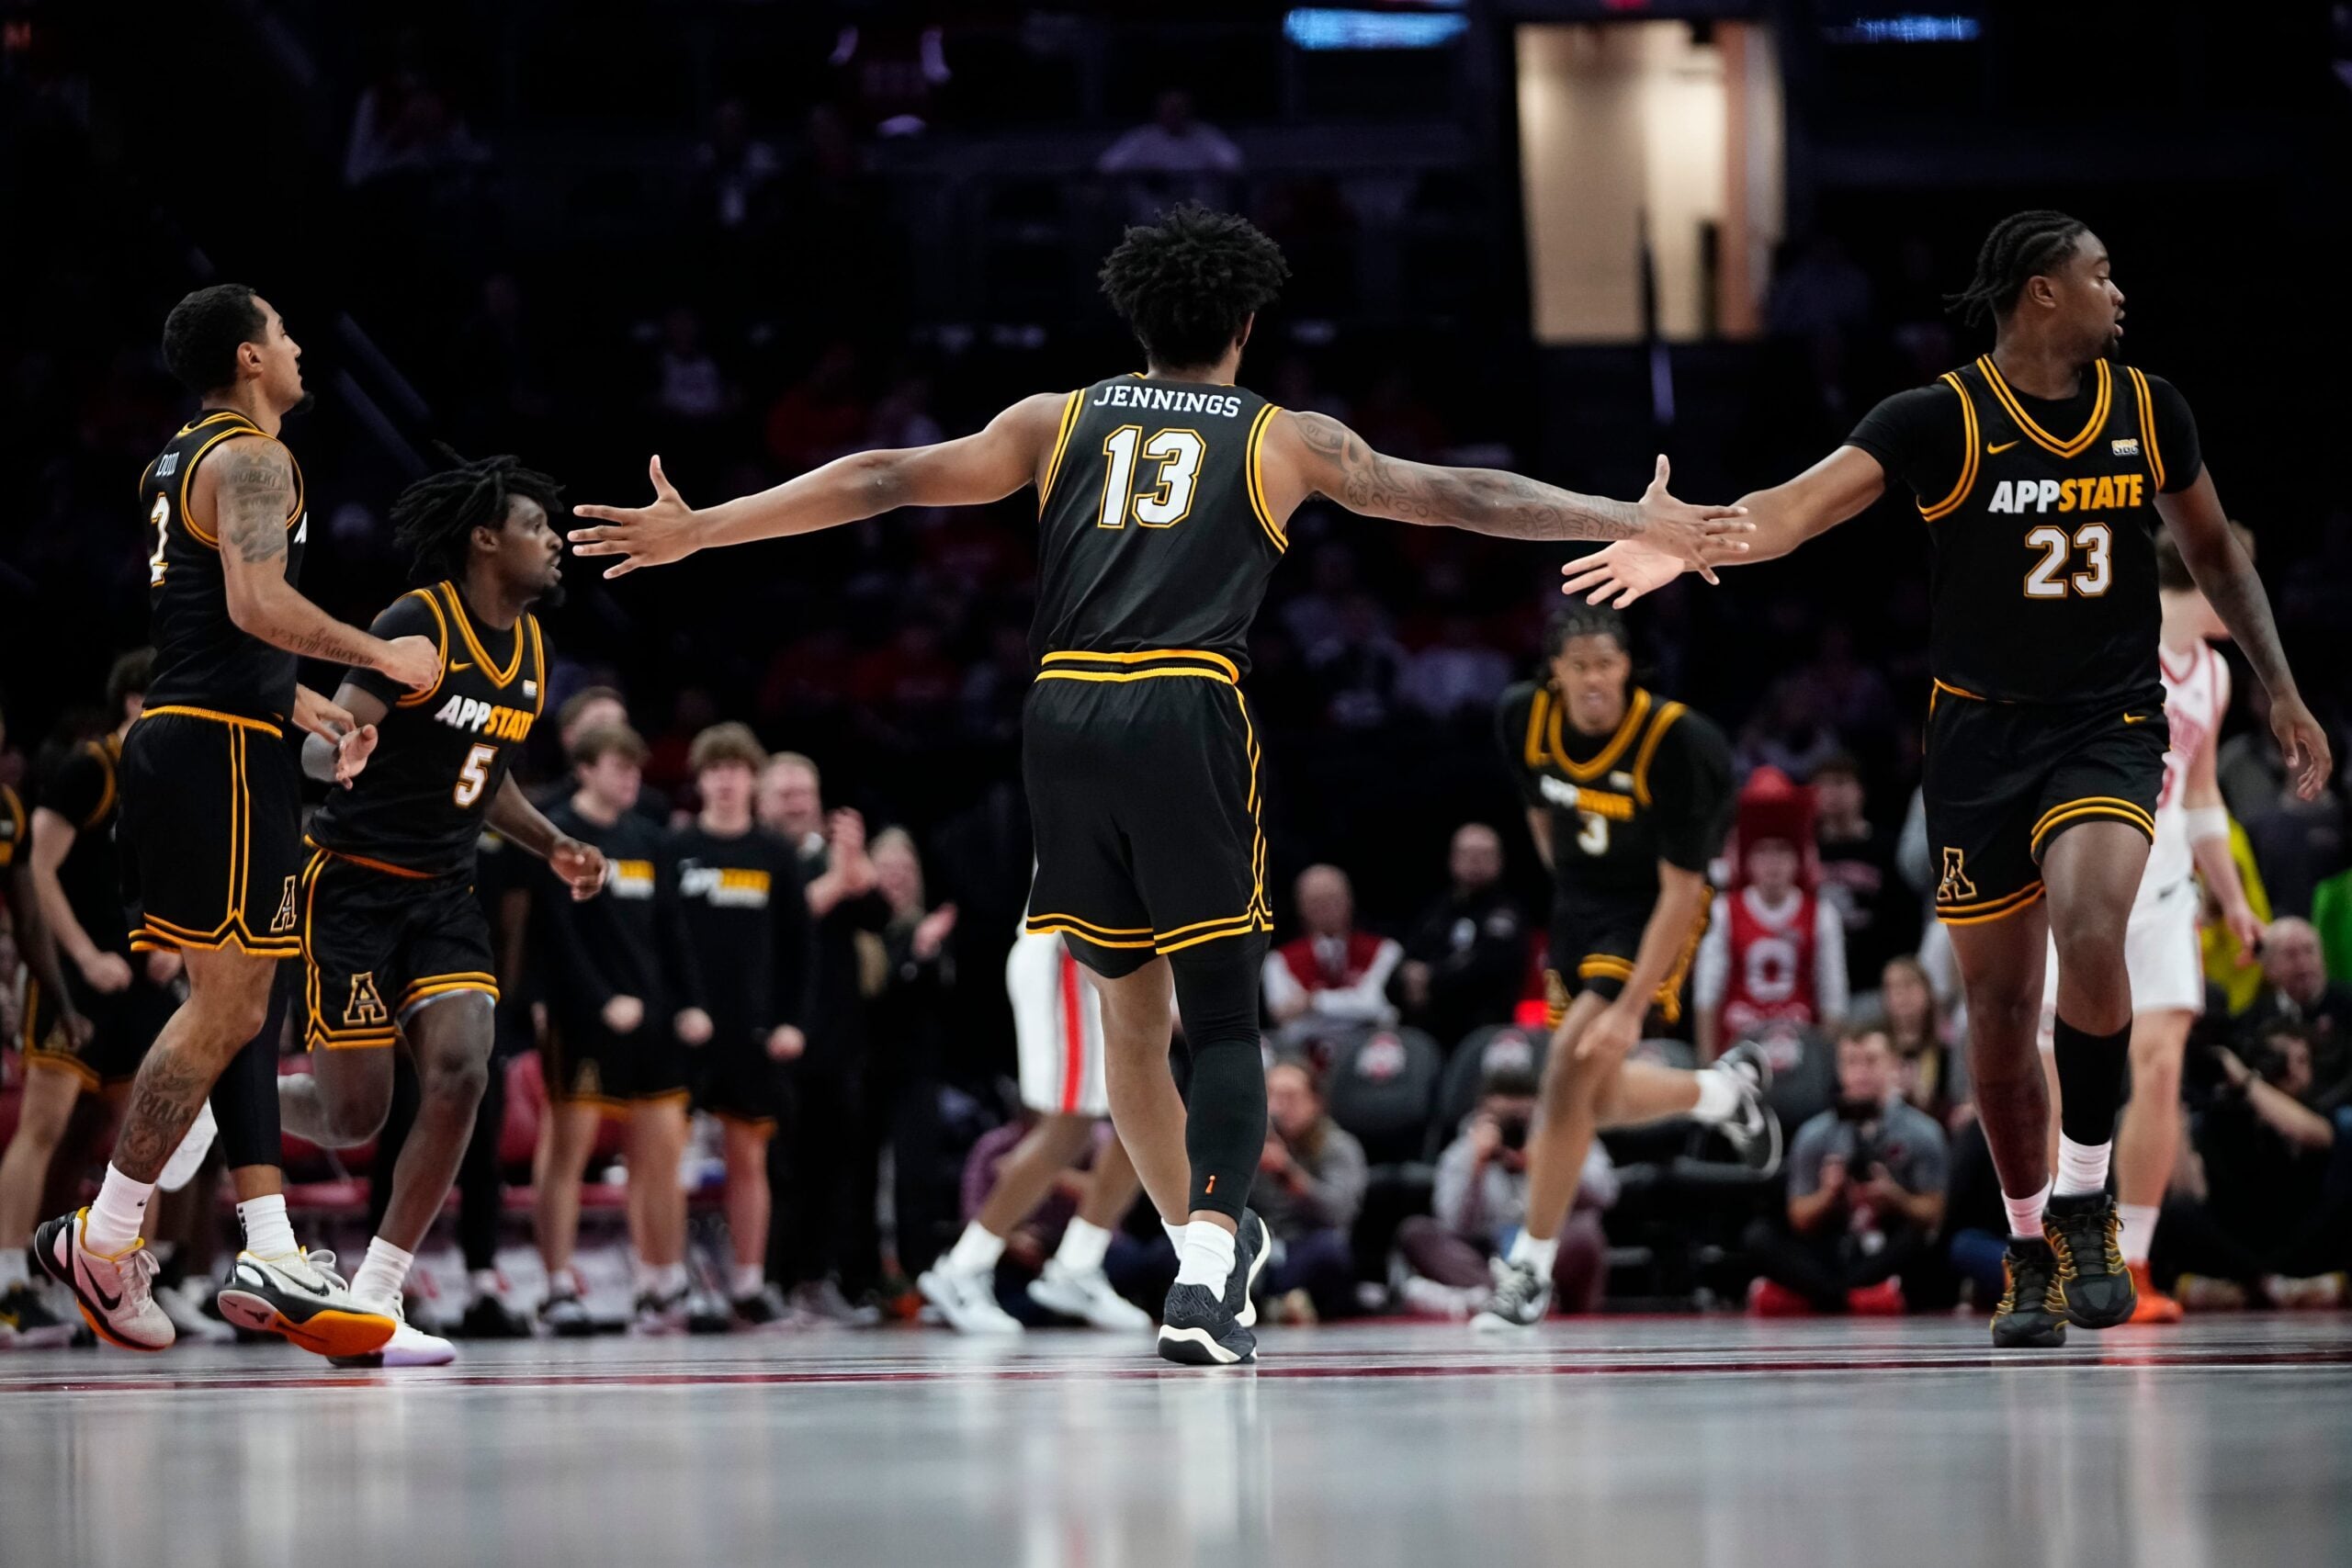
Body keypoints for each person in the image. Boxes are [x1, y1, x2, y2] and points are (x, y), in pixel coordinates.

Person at [570, 203, 1747, 1364]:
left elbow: (882, 475)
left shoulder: (1053, 418)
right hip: (1184, 703)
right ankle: (1209, 1262)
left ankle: (1198, 1265)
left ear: (1135, 319)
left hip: (1062, 708)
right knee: (1225, 1020)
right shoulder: (1281, 437)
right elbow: (1457, 494)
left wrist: (704, 531)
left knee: (1129, 1026)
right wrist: (1623, 516)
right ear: (1243, 320)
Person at [1563, 209, 2333, 1347]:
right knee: (2001, 1011)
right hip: (1978, 744)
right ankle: (2024, 1246)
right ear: (2040, 294)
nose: (2119, 294)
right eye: (2099, 275)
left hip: (2109, 724)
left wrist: (2279, 685)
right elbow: (1792, 512)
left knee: (2091, 925)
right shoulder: (1940, 419)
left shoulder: (2148, 410)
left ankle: (2084, 1201)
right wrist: (1689, 538)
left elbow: (2215, 554)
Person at [37, 286, 441, 1355]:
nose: (303, 345)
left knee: (244, 1003)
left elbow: (212, 626)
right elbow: (260, 606)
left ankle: (263, 1236)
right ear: (252, 358)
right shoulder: (257, 459)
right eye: (288, 332)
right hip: (213, 749)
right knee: (225, 1012)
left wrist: (303, 706)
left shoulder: (175, 457)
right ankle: (109, 1230)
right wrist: (382, 657)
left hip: (212, 730)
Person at [276, 454, 605, 1366]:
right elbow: (324, 740)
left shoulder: (534, 654)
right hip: (352, 887)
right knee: (355, 1119)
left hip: (444, 895)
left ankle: (377, 1295)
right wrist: (336, 753)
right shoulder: (418, 622)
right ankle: (234, 1109)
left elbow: (486, 777)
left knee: (465, 1068)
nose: (553, 543)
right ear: (485, 537)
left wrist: (553, 845)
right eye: (537, 526)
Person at [1473, 604, 1778, 1331]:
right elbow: (1541, 819)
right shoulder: (1522, 717)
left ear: (1626, 667)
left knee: (1564, 1073)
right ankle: (1721, 1094)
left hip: (1653, 908)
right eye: (1578, 665)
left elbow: (1681, 889)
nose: (1593, 679)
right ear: (1555, 673)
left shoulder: (1676, 741)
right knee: (1594, 1100)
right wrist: (1574, 891)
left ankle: (1529, 1272)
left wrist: (1630, 1005)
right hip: (1580, 907)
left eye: (1606, 663)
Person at [2030, 525, 2267, 1325]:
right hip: (2079, 879)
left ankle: (2133, 1257)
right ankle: (2052, 1253)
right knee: (2061, 1075)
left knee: (2161, 1064)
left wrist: (2233, 899)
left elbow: (2202, 799)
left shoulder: (2217, 676)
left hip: (2164, 887)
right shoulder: (2106, 646)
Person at [532, 723, 711, 1335]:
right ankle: (557, 1285)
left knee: (662, 1152)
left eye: (636, 768)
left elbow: (673, 931)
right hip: (583, 1017)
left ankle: (660, 1281)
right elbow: (555, 934)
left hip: (653, 1019)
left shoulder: (650, 838)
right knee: (568, 1153)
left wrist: (687, 1002)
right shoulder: (557, 832)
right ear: (584, 768)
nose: (631, 777)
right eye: (618, 766)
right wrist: (601, 998)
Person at [4, 667, 156, 1351]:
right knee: (41, 1125)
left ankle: (67, 1270)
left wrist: (171, 942)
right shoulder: (91, 767)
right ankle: (8, 1281)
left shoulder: (165, 775)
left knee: (118, 1134)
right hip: (70, 974)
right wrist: (85, 958)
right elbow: (36, 873)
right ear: (132, 699)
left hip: (132, 982)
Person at [918, 923, 1153, 1337]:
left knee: (1136, 1119)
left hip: (1112, 952)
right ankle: (963, 1267)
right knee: (1080, 1123)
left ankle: (1076, 1264)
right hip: (1078, 947)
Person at [668, 723, 811, 1326]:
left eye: (736, 769)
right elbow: (661, 940)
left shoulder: (775, 854)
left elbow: (799, 948)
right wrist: (676, 1006)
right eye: (715, 769)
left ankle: (748, 1280)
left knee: (748, 1156)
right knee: (666, 1160)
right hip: (686, 1029)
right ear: (700, 780)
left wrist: (790, 1021)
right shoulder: (673, 850)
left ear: (753, 779)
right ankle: (670, 1279)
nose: (726, 780)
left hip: (752, 1031)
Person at [755, 751, 888, 1323]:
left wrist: (859, 874)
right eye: (784, 793)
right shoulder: (755, 856)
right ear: (762, 800)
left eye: (803, 792)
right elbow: (777, 923)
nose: (796, 802)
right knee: (777, 1169)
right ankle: (770, 1282)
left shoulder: (828, 856)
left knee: (838, 1167)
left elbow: (880, 917)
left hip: (837, 1037)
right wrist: (840, 880)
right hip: (771, 1036)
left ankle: (822, 1279)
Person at [1747, 1026, 1949, 1315]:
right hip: (1832, 1244)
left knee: (1920, 1241)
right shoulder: (1815, 1134)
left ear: (1894, 1066)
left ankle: (1815, 1298)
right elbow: (1799, 1216)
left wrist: (1895, 1197)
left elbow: (1934, 1215)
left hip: (1885, 1248)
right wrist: (1828, 1195)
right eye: (1851, 1062)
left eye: (1870, 1061)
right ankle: (1853, 1296)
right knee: (1760, 1236)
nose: (1860, 1073)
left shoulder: (1923, 1133)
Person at [1399, 1064, 1612, 1320]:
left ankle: (1497, 1299)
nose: (1514, 1128)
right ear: (1483, 1115)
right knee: (1417, 1232)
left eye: (1522, 1119)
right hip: (1487, 1256)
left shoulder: (1566, 1136)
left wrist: (1546, 1166)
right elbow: (1454, 1225)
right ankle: (1513, 1297)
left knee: (1586, 1232)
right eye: (1503, 1118)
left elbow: (1604, 1194)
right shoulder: (1464, 1151)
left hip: (1550, 1252)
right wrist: (1475, 1172)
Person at [1693, 782, 1849, 1061]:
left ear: (1798, 859)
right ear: (1747, 860)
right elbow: (1707, 994)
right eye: (1763, 852)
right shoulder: (1723, 911)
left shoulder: (1823, 914)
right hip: (1737, 1044)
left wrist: (1824, 1066)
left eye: (1782, 852)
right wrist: (1707, 1063)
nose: (1773, 863)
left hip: (1799, 1045)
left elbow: (1832, 996)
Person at [1251, 1058, 1366, 1324]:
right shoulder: (1249, 1143)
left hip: (1305, 1243)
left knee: (1330, 1250)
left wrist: (1288, 1174)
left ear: (1315, 1101)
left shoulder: (1338, 1146)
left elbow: (1338, 1213)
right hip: (1259, 1246)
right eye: (1273, 1096)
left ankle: (1275, 1303)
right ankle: (1274, 1303)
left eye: (1291, 1097)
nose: (1279, 1107)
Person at [1394, 823, 1528, 1050]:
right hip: (1428, 1038)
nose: (1475, 861)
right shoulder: (1436, 912)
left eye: (1483, 854)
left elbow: (1489, 971)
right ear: (1452, 858)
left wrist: (1431, 979)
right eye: (1467, 853)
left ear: (1499, 860)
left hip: (1482, 1038)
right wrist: (1406, 982)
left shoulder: (1506, 914)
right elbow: (1401, 968)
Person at [1812, 753, 1915, 993]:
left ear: (1860, 790)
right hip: (1818, 986)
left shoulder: (1888, 847)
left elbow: (1904, 917)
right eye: (1823, 784)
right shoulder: (1804, 851)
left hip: (1876, 983)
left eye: (1840, 783)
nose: (1832, 793)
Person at [1263, 864, 1404, 1040]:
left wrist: (1314, 1002)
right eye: (1315, 901)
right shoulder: (1278, 960)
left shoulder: (1385, 950)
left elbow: (1378, 1006)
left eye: (1332, 899)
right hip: (1305, 1055)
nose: (1325, 908)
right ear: (1300, 907)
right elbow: (1286, 1021)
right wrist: (1352, 1006)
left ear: (1349, 900)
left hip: (1366, 1051)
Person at [2237, 917, 2352, 1102]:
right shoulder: (2253, 1020)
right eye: (2290, 955)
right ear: (2268, 968)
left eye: (2309, 951)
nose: (2303, 964)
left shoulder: (2347, 1004)